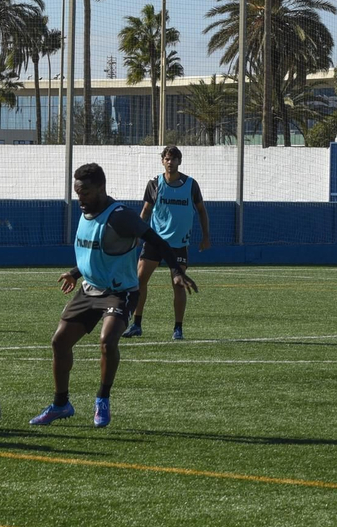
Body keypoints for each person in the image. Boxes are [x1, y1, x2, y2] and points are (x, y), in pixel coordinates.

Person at [32, 163, 196, 429]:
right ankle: (61, 404)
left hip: (119, 292)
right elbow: (96, 249)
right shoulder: (86, 213)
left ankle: (102, 399)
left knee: (107, 341)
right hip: (89, 289)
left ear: (100, 188)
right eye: (77, 192)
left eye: (85, 192)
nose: (80, 198)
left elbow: (157, 241)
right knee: (59, 342)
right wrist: (75, 272)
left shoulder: (120, 216)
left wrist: (176, 269)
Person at [125, 145, 210, 341]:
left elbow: (201, 211)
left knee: (178, 284)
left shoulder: (191, 185)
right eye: (167, 158)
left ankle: (178, 329)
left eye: (174, 159)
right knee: (139, 281)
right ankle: (136, 324)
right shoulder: (154, 184)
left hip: (178, 243)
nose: (170, 162)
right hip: (154, 241)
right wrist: (138, 233)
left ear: (179, 161)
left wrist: (206, 236)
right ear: (162, 161)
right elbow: (146, 211)